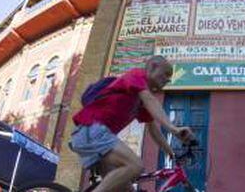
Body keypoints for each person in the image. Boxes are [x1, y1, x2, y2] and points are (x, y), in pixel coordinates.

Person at [70, 56, 194, 192]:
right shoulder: (137, 75)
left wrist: (171, 153)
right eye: (166, 74)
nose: (168, 79)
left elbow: (153, 131)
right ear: (152, 67)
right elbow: (149, 99)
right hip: (91, 130)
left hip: (94, 138)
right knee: (135, 166)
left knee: (125, 189)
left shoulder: (140, 103)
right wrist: (173, 128)